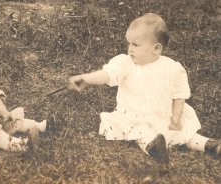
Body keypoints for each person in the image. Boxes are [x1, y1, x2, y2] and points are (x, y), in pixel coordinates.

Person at [69, 13, 221, 164]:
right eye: (129, 43)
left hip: (164, 115)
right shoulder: (126, 63)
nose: (130, 49)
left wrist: (175, 117)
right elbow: (107, 74)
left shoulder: (172, 68)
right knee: (140, 131)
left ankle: (207, 144)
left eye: (135, 45)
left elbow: (179, 94)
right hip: (134, 115)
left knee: (184, 133)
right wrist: (86, 78)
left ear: (156, 49)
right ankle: (153, 147)